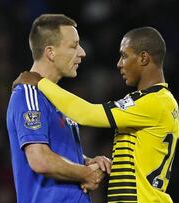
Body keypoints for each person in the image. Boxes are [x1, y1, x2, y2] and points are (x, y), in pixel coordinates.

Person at [14, 26, 179, 202]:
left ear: (144, 58)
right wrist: (92, 164)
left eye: (124, 56)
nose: (119, 64)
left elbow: (87, 113)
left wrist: (40, 83)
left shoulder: (155, 102)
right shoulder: (151, 100)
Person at [6, 14, 111, 203]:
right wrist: (85, 173)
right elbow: (39, 159)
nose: (82, 52)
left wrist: (87, 161)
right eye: (73, 46)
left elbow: (57, 152)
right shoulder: (29, 95)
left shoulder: (56, 98)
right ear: (50, 52)